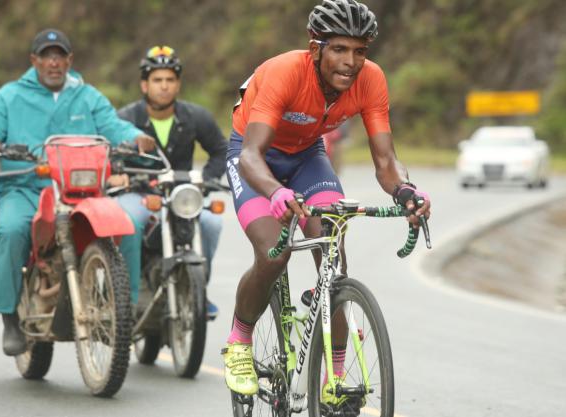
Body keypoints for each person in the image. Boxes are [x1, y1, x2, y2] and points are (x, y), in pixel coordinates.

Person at [221, 0, 431, 400]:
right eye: (339, 49)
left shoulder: (371, 80)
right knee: (273, 254)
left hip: (308, 158)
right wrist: (276, 192)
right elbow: (251, 155)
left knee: (333, 257)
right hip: (254, 156)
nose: (350, 62)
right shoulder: (284, 72)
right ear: (315, 48)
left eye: (360, 51)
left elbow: (386, 161)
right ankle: (240, 340)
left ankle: (333, 379)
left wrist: (406, 191)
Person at [0, 29, 156, 356]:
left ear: (69, 60)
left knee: (128, 224)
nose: (53, 63)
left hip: (82, 190)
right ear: (34, 61)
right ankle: (10, 316)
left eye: (59, 56)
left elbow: (115, 128)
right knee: (10, 231)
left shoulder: (88, 96)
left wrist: (137, 138)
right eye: (46, 56)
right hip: (25, 187)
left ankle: (122, 310)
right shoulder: (9, 96)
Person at [115, 45, 228, 320]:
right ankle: (128, 296)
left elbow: (221, 150)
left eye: (170, 80)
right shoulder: (125, 119)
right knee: (128, 222)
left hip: (182, 196)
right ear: (144, 85)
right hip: (139, 194)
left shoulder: (196, 116)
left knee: (211, 223)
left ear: (178, 85)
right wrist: (117, 173)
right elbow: (109, 152)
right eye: (157, 80)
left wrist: (210, 179)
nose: (164, 86)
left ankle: (196, 290)